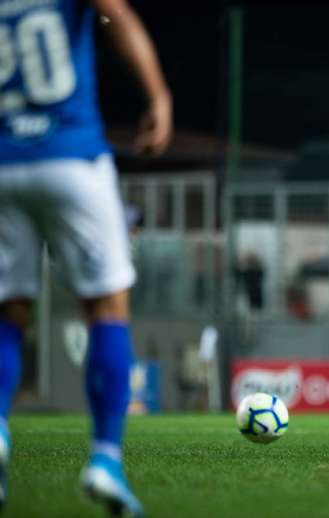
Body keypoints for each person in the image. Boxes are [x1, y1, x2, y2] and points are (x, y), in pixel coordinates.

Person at [0, 0, 172, 515]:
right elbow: (116, 13)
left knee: (8, 312)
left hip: (4, 162)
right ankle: (105, 460)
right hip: (71, 155)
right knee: (105, 309)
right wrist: (158, 97)